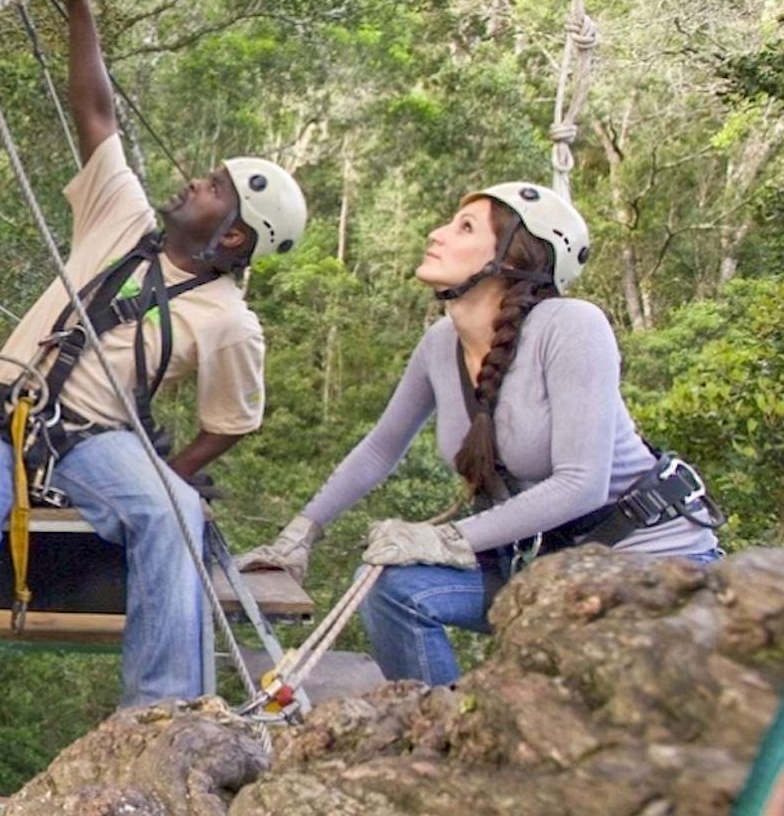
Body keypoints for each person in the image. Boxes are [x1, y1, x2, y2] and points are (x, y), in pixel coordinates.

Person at [0, 0, 308, 812]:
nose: (190, 185)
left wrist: (164, 477)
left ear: (235, 238)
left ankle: (157, 725)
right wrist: (79, 2)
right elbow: (96, 114)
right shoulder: (122, 214)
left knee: (175, 512)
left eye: (212, 188)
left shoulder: (228, 322)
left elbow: (229, 424)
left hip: (95, 442)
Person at [237, 183, 723, 687]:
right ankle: (436, 730)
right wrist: (300, 534)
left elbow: (583, 482)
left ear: (513, 258)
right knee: (390, 587)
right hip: (548, 568)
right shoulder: (440, 344)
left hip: (648, 561)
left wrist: (445, 539)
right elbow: (380, 448)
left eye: (464, 226)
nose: (437, 233)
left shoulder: (572, 326)